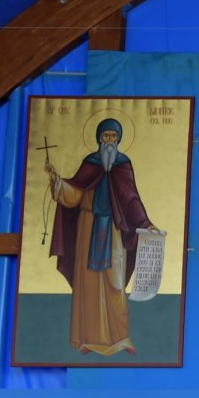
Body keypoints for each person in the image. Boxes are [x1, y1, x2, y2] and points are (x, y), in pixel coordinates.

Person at [44, 117, 157, 356]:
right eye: (106, 136)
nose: (109, 141)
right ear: (99, 138)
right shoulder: (90, 164)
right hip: (88, 226)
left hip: (114, 229)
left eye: (113, 137)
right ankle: (86, 338)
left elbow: (131, 198)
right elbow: (76, 193)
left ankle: (121, 337)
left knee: (115, 282)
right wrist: (58, 183)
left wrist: (145, 223)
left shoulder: (123, 165)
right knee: (88, 283)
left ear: (119, 139)